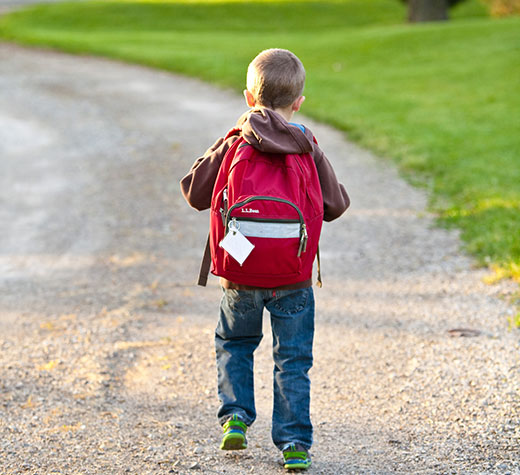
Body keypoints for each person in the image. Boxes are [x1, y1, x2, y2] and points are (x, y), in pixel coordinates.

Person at [180, 48, 349, 471]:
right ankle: (294, 444)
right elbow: (336, 205)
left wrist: (229, 137)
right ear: (299, 102)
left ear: (248, 98)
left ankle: (235, 417)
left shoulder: (237, 141)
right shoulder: (306, 143)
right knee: (292, 359)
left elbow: (194, 192)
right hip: (293, 276)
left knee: (235, 343)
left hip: (241, 275)